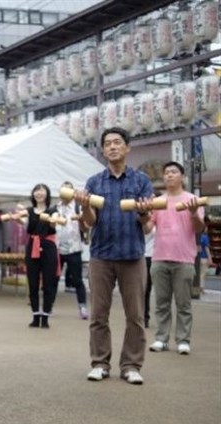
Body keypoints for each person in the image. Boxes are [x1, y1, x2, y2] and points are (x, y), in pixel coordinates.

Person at [74, 127, 153, 385]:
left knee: (136, 315)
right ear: (103, 150)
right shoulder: (94, 182)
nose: (112, 147)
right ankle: (99, 363)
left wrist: (143, 212)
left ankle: (131, 365)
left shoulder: (141, 181)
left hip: (132, 255)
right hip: (101, 256)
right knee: (98, 314)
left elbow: (148, 225)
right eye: (107, 144)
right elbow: (89, 223)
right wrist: (85, 206)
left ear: (127, 147)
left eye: (117, 142)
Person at [145, 161, 205, 356]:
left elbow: (199, 229)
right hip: (159, 257)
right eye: (166, 172)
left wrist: (194, 212)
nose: (169, 175)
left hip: (184, 259)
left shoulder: (192, 199)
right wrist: (143, 214)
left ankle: (183, 340)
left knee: (183, 303)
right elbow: (147, 229)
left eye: (173, 172)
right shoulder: (158, 201)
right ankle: (161, 338)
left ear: (182, 177)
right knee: (161, 302)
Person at [19, 183, 60, 329]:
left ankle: (46, 316)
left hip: (48, 247)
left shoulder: (53, 210)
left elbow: (54, 223)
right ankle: (36, 315)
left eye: (42, 191)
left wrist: (53, 220)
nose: (39, 193)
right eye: (36, 190)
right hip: (32, 246)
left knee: (49, 283)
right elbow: (23, 221)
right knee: (33, 282)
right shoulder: (29, 211)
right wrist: (18, 217)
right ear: (33, 194)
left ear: (47, 194)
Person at [55, 182, 88, 320]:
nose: (66, 192)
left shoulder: (78, 206)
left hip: (74, 248)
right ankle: (48, 306)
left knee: (78, 280)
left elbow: (86, 228)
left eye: (69, 189)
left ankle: (82, 306)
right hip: (58, 248)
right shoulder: (55, 207)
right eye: (64, 189)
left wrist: (81, 220)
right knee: (53, 278)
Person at [143, 226, 155, 328]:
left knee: (147, 288)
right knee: (144, 289)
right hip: (142, 255)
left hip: (154, 257)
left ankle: (145, 316)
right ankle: (144, 316)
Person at [198, 230, 212, 294]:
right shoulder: (205, 237)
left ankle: (197, 287)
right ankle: (201, 288)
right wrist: (210, 258)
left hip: (197, 258)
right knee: (203, 274)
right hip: (204, 257)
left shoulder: (197, 236)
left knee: (198, 273)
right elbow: (206, 248)